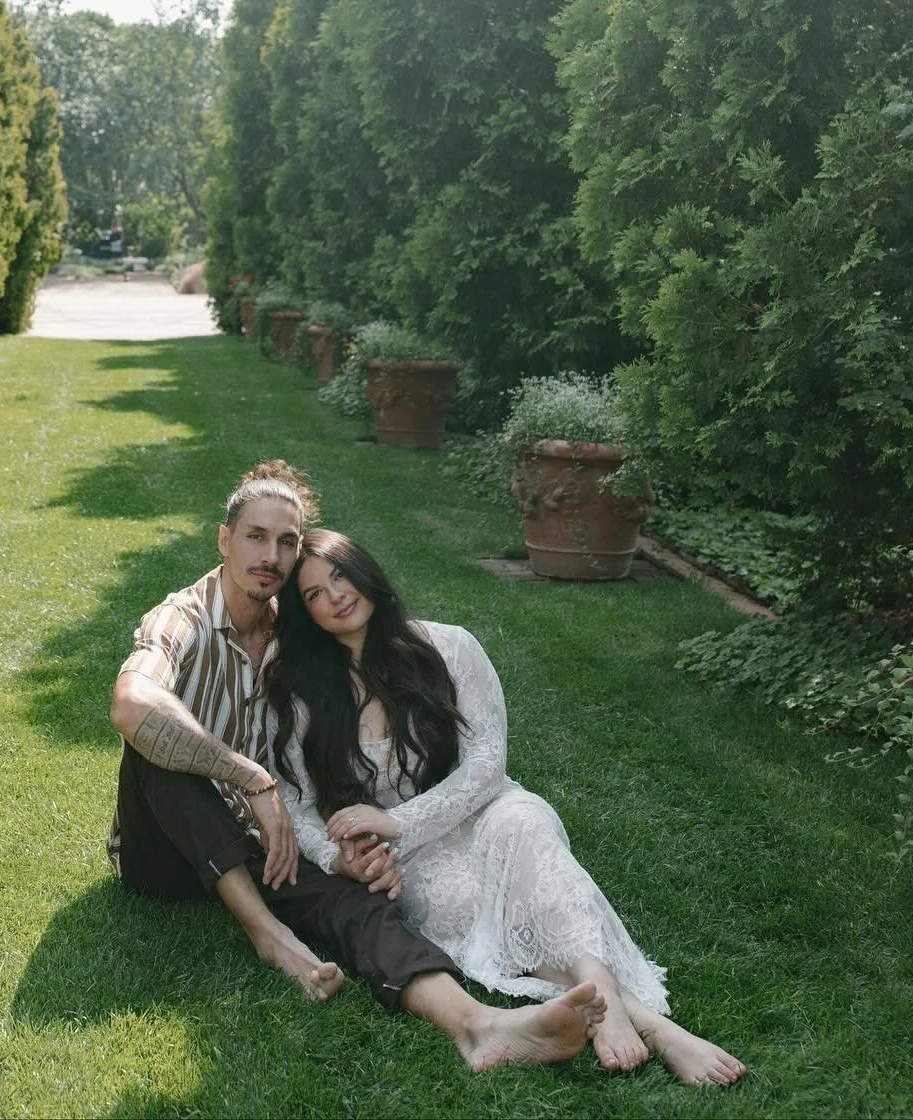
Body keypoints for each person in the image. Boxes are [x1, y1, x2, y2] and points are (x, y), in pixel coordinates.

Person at [107, 461, 608, 1071]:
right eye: (255, 536)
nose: (270, 555)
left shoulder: (299, 636)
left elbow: (313, 759)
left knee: (359, 901)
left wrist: (349, 850)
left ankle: (478, 1026)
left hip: (265, 842)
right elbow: (132, 705)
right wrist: (248, 777)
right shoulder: (183, 619)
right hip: (167, 852)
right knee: (157, 746)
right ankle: (269, 935)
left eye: (286, 542)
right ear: (224, 539)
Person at [266, 528, 747, 1088]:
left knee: (529, 833)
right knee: (482, 904)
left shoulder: (450, 647)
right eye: (315, 593)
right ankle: (653, 1026)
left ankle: (607, 999)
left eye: (341, 575)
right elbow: (294, 803)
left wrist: (397, 820)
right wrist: (338, 857)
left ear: (365, 571)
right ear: (306, 614)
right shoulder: (303, 689)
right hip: (413, 858)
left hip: (487, 809)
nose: (336, 596)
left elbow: (487, 761)